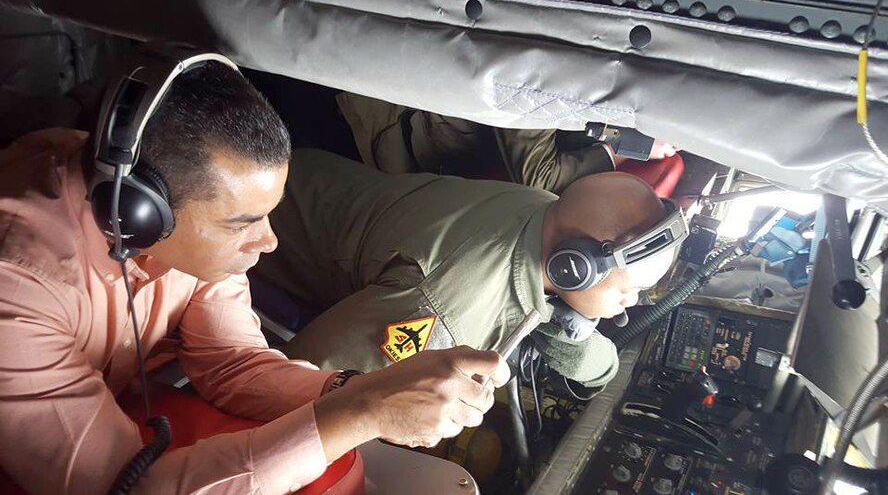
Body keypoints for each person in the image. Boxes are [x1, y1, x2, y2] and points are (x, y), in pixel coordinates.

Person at [0, 50, 509, 494]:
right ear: (139, 211)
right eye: (241, 223)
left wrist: (354, 389)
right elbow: (126, 486)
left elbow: (230, 362)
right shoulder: (17, 282)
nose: (269, 242)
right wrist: (363, 411)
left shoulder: (188, 233)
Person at [254, 146, 685, 388]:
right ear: (574, 267)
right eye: (627, 290)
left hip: (301, 170)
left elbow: (600, 368)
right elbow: (302, 386)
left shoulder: (545, 209)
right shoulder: (445, 312)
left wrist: (577, 326)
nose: (631, 302)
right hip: (264, 214)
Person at [336, 92, 678, 194]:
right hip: (383, 121)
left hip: (423, 140)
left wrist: (616, 134)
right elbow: (538, 177)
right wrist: (620, 146)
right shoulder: (558, 67)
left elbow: (570, 118)